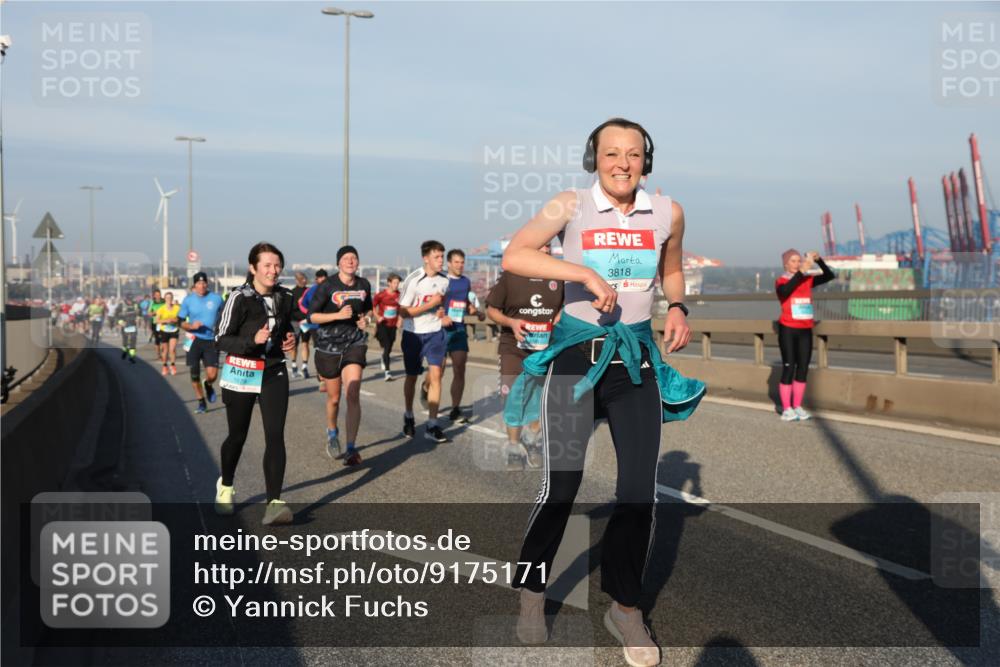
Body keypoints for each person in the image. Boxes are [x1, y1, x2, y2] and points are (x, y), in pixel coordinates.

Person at [501, 118, 706, 665]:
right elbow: (516, 254)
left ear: (647, 160)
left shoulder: (668, 212)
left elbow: (673, 270)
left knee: (639, 492)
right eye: (611, 153)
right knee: (561, 487)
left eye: (633, 154)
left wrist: (680, 307)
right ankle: (531, 592)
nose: (623, 163)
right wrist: (585, 277)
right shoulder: (569, 205)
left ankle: (626, 608)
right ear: (595, 158)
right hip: (575, 360)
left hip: (634, 362)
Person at [214, 242, 297, 526]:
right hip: (242, 370)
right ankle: (225, 485)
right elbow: (221, 338)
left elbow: (287, 328)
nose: (273, 271)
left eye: (277, 266)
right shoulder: (239, 297)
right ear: (253, 268)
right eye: (267, 266)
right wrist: (252, 341)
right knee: (237, 435)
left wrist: (290, 338)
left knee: (275, 434)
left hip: (274, 371)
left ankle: (274, 503)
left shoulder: (285, 297)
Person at [485, 244, 564, 470]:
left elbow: (569, 304)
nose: (546, 249)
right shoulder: (512, 275)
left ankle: (532, 438)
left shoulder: (559, 274)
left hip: (546, 347)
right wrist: (511, 322)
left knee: (541, 398)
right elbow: (491, 309)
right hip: (514, 347)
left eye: (549, 245)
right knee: (512, 397)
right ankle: (512, 446)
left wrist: (560, 315)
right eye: (541, 245)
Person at [307, 246, 371, 466]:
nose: (351, 261)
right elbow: (312, 316)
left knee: (352, 393)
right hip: (328, 347)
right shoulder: (327, 286)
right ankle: (332, 432)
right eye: (346, 258)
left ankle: (351, 448)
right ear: (338, 263)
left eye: (354, 257)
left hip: (354, 343)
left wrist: (366, 321)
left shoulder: (364, 285)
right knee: (334, 398)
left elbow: (368, 310)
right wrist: (337, 315)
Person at [398, 240, 451, 443]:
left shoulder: (445, 281)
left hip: (435, 333)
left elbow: (440, 305)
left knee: (436, 376)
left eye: (442, 257)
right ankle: (409, 415)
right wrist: (429, 304)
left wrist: (440, 312)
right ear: (426, 258)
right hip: (413, 335)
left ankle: (432, 424)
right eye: (437, 257)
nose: (441, 261)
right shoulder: (413, 280)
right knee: (411, 377)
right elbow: (403, 311)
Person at [775, 249, 836, 421]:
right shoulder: (781, 281)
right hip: (788, 329)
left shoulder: (807, 280)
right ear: (786, 264)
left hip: (805, 330)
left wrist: (819, 261)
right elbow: (786, 291)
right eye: (793, 261)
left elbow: (830, 275)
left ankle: (797, 406)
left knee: (803, 368)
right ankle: (786, 408)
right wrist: (803, 271)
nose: (798, 264)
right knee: (789, 367)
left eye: (799, 261)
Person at [438, 249, 487, 424]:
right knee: (439, 372)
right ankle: (426, 385)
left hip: (459, 329)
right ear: (449, 263)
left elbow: (465, 302)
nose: (460, 265)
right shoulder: (441, 281)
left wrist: (475, 311)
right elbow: (433, 303)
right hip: (441, 330)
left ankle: (455, 409)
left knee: (460, 369)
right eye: (456, 262)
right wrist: (441, 316)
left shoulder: (466, 282)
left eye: (462, 262)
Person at [180, 272, 225, 414]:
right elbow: (180, 321)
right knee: (194, 374)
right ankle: (201, 402)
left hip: (211, 341)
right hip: (194, 340)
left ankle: (208, 384)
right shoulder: (188, 300)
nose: (202, 285)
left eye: (204, 283)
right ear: (194, 285)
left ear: (207, 283)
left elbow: (225, 316)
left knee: (213, 375)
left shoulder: (216, 299)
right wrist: (191, 326)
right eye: (199, 283)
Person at [372, 273, 402, 381]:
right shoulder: (381, 295)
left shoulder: (399, 295)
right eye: (394, 283)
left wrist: (400, 320)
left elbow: (401, 308)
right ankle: (387, 373)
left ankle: (384, 356)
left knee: (388, 347)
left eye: (398, 283)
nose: (396, 285)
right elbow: (372, 306)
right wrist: (377, 316)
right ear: (389, 283)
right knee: (386, 345)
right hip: (383, 324)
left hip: (393, 325)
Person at [288, 272, 310, 379]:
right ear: (296, 280)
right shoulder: (292, 293)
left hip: (306, 322)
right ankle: (294, 366)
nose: (304, 280)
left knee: (305, 343)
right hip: (294, 322)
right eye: (301, 278)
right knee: (294, 345)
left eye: (304, 278)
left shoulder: (309, 292)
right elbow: (290, 310)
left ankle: (305, 367)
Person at [154, 292, 181, 375]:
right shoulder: (161, 309)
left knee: (172, 349)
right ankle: (165, 366)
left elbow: (181, 318)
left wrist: (175, 320)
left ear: (172, 298)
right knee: (165, 350)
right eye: (167, 298)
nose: (169, 299)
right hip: (164, 330)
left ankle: (172, 365)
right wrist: (166, 321)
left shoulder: (177, 308)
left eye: (170, 298)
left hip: (174, 330)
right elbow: (156, 320)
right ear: (165, 299)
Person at [117, 295, 142, 364]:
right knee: (125, 341)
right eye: (128, 300)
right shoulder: (121, 305)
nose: (130, 301)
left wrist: (138, 318)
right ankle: (125, 350)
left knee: (133, 341)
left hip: (133, 325)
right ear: (126, 299)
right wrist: (120, 322)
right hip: (125, 325)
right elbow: (116, 315)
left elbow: (140, 313)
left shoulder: (136, 305)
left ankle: (132, 357)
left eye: (131, 300)